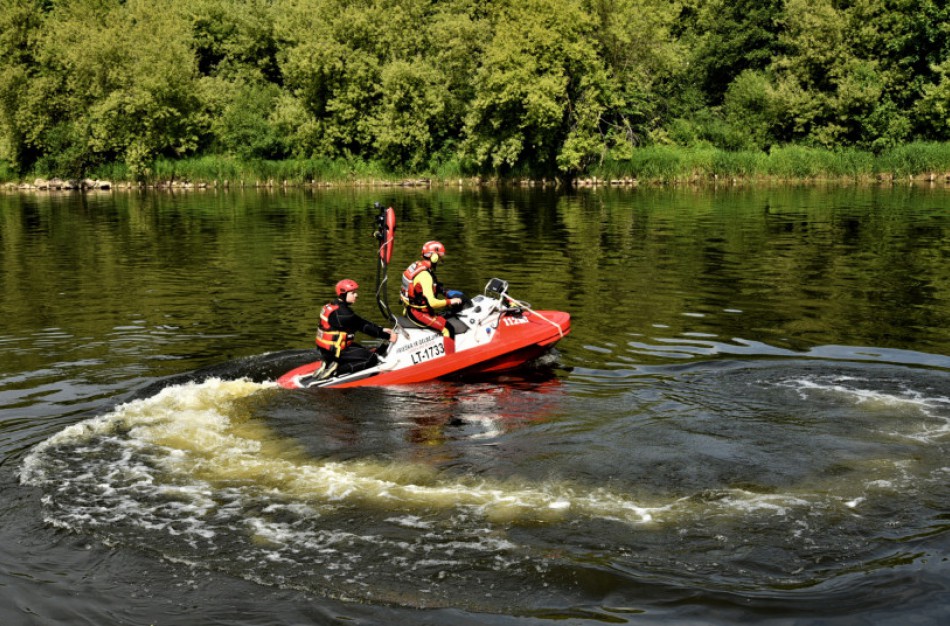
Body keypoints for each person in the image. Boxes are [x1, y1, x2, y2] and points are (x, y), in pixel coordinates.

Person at [314, 279, 396, 379]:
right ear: (343, 294)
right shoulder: (344, 314)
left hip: (327, 350)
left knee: (364, 350)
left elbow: (360, 321)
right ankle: (337, 370)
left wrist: (381, 329)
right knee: (371, 358)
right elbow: (363, 327)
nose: (356, 295)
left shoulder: (333, 306)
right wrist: (388, 336)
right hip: (337, 351)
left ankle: (328, 362)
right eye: (353, 293)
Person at [399, 240, 463, 348]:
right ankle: (450, 361)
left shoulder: (417, 266)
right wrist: (451, 301)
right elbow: (432, 303)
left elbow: (425, 287)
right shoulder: (425, 275)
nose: (440, 259)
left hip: (410, 310)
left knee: (445, 314)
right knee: (448, 329)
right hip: (420, 314)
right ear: (434, 257)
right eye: (439, 256)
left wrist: (444, 291)